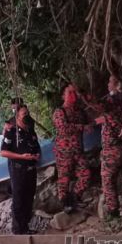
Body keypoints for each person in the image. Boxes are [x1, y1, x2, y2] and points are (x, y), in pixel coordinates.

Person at [95, 79, 122, 218]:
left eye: (110, 82)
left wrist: (84, 97)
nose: (107, 84)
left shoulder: (112, 101)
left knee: (108, 180)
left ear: (116, 85)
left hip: (113, 148)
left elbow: (98, 106)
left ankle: (114, 213)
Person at [0, 103, 41, 234]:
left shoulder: (31, 130)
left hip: (31, 169)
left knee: (29, 198)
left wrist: (37, 154)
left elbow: (36, 146)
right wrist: (21, 156)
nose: (27, 116)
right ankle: (18, 230)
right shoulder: (12, 132)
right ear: (17, 118)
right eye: (24, 115)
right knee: (18, 199)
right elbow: (3, 152)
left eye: (27, 114)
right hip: (18, 170)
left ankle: (26, 227)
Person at [52, 83, 91, 214]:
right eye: (70, 93)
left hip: (78, 151)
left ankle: (74, 198)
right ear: (63, 96)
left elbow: (89, 123)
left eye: (75, 93)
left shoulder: (80, 111)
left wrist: (89, 126)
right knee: (64, 179)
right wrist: (81, 127)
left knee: (85, 175)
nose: (73, 95)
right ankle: (65, 204)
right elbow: (63, 129)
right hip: (64, 153)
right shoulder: (59, 112)